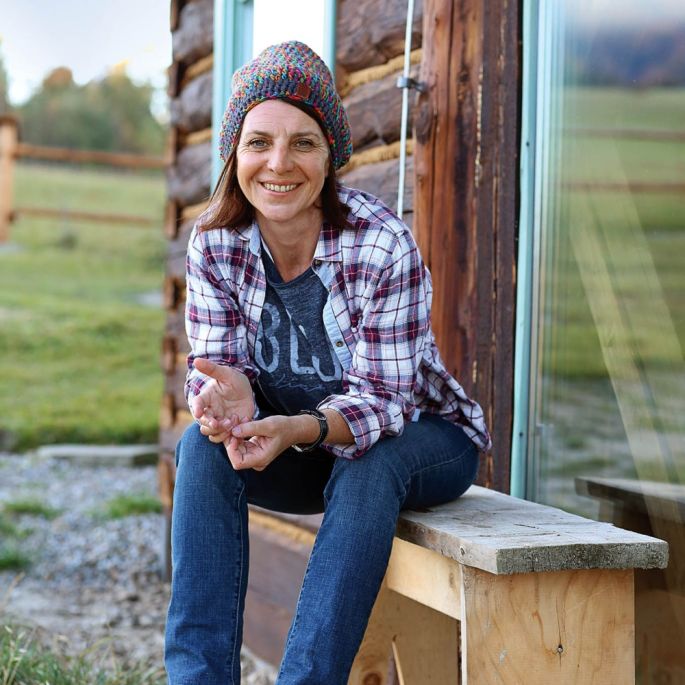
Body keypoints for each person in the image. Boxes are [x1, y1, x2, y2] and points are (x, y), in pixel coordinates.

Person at [164, 40, 491, 685]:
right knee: (198, 452)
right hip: (298, 444)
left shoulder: (381, 246)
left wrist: (298, 428)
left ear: (330, 156)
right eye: (258, 142)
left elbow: (385, 403)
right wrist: (222, 404)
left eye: (302, 143)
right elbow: (219, 374)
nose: (277, 164)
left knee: (369, 465)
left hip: (422, 439)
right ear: (235, 153)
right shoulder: (215, 243)